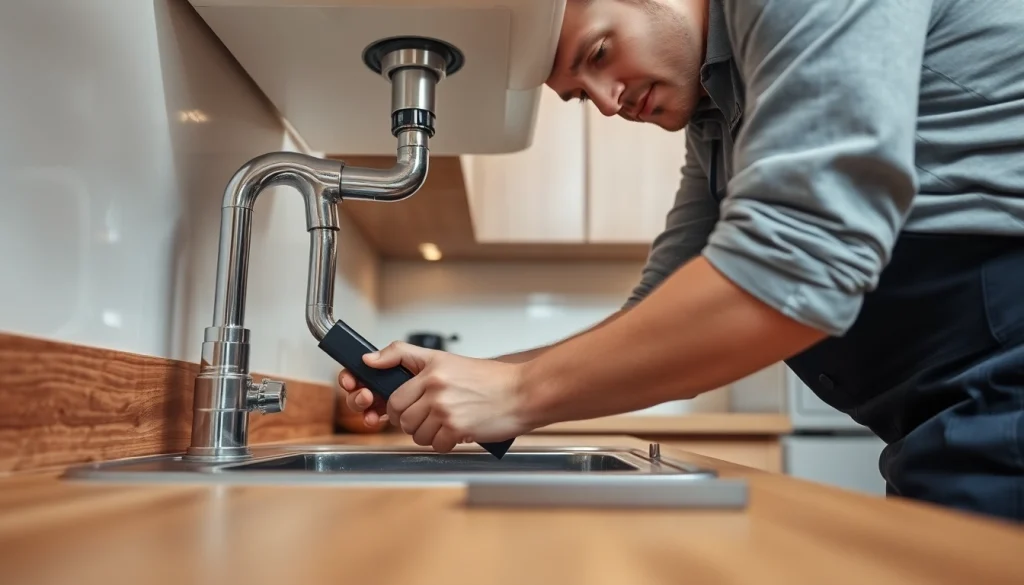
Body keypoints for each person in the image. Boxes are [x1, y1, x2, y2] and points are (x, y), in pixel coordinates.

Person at [339, 0, 1024, 522]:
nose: (607, 101)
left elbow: (802, 258)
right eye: (580, 91)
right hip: (951, 418)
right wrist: (471, 381)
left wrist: (515, 395)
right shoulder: (719, 114)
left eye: (599, 51)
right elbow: (651, 319)